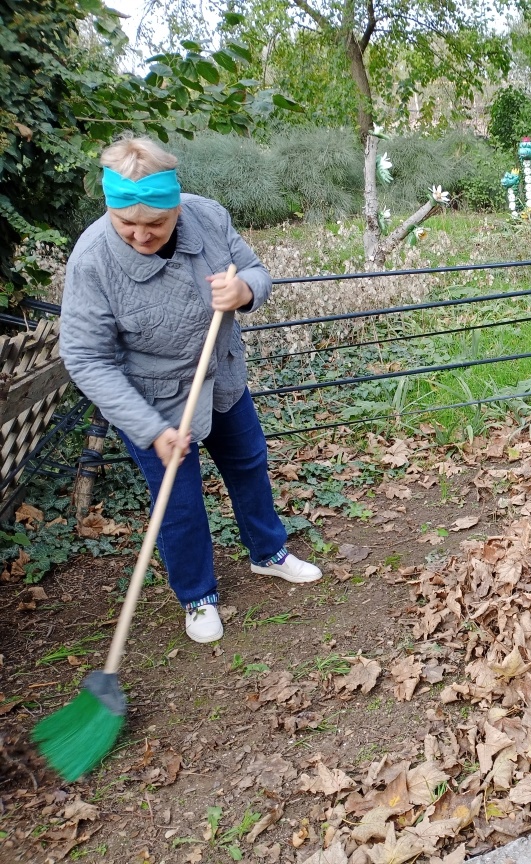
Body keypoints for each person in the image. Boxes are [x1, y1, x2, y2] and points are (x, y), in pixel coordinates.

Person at [60, 135, 321, 644]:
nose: (140, 236)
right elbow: (87, 358)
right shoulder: (92, 260)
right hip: (152, 400)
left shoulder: (209, 217)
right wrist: (149, 428)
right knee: (176, 501)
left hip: (220, 376)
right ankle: (197, 597)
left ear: (176, 207)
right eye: (126, 224)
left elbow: (256, 272)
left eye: (154, 223)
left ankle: (268, 553)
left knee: (248, 463)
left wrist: (245, 290)